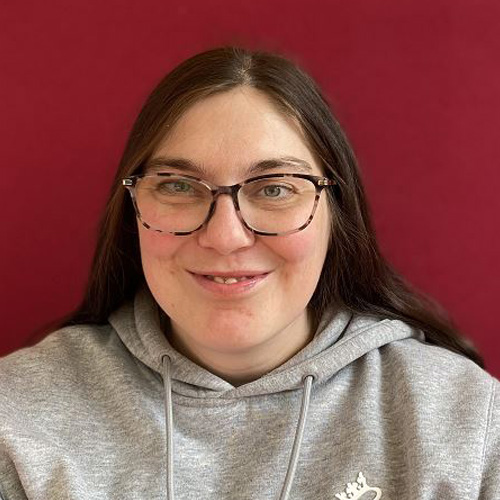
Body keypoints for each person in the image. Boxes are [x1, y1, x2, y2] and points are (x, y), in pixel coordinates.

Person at [0, 46, 498, 500]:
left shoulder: (465, 422)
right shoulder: (17, 417)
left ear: (335, 214)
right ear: (131, 208)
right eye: (178, 185)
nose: (226, 236)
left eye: (274, 188)